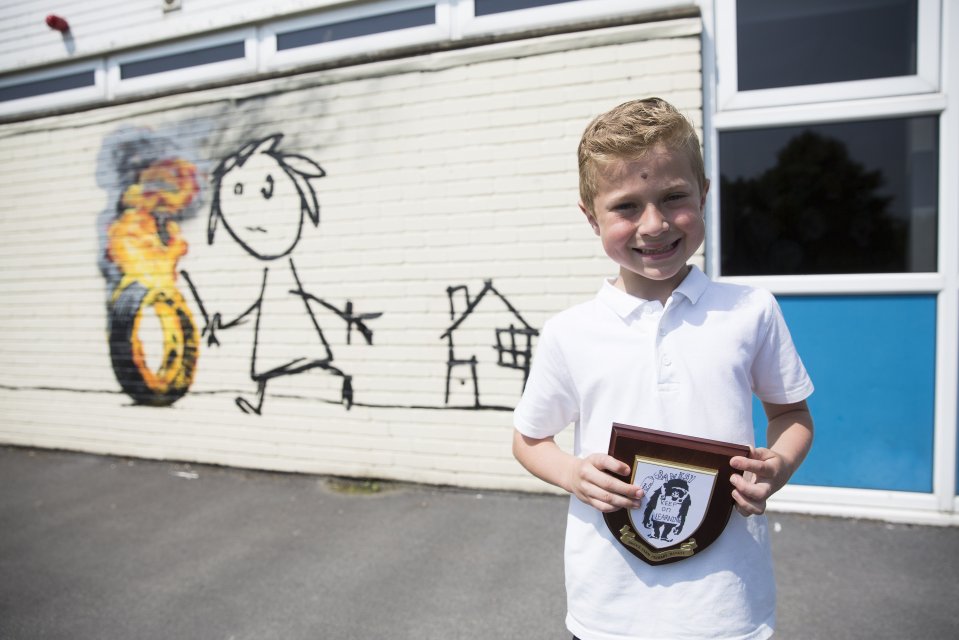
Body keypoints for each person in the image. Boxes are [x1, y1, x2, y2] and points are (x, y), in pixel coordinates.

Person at [512, 97, 814, 640]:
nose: (653, 224)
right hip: (609, 609)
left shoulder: (750, 310)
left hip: (727, 606)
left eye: (674, 197)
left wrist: (778, 467)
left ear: (703, 194)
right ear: (590, 216)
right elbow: (530, 440)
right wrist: (572, 473)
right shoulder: (568, 332)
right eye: (626, 207)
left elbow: (792, 414)